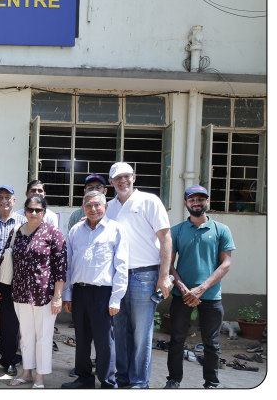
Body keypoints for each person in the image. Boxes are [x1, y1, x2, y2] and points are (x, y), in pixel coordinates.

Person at [105, 162, 172, 389]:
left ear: (134, 177)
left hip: (145, 275)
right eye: (117, 178)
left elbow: (165, 238)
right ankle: (122, 377)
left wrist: (164, 276)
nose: (122, 181)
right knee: (119, 331)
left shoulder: (149, 201)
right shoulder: (109, 207)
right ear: (111, 182)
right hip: (117, 277)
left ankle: (139, 382)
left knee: (142, 333)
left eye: (126, 176)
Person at [165, 185, 235, 389]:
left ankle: (211, 384)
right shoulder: (176, 231)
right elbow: (168, 263)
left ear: (207, 202)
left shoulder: (221, 230)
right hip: (182, 295)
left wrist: (201, 288)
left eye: (201, 199)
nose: (196, 203)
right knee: (177, 340)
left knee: (211, 343)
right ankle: (173, 380)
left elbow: (226, 264)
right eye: (192, 199)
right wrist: (182, 287)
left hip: (211, 296)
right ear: (185, 203)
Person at [61, 191, 128, 389]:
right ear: (83, 208)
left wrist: (116, 298)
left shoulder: (116, 229)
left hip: (103, 293)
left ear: (105, 207)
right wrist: (67, 294)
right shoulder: (75, 231)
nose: (93, 209)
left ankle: (108, 382)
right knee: (81, 338)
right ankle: (84, 379)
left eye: (97, 205)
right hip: (79, 291)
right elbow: (68, 265)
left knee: (104, 340)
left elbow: (121, 266)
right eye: (89, 205)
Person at [5, 195, 67, 389]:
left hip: (44, 294)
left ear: (44, 212)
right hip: (20, 292)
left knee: (44, 336)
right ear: (24, 211)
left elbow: (61, 268)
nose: (33, 213)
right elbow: (8, 259)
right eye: (30, 209)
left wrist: (57, 297)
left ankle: (40, 377)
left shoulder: (53, 233)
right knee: (26, 335)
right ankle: (26, 373)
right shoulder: (17, 231)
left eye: (38, 210)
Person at [0, 185, 27, 375]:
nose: (4, 201)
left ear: (14, 200)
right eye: (0, 197)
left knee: (11, 323)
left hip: (13, 281)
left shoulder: (23, 222)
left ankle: (8, 359)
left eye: (8, 197)